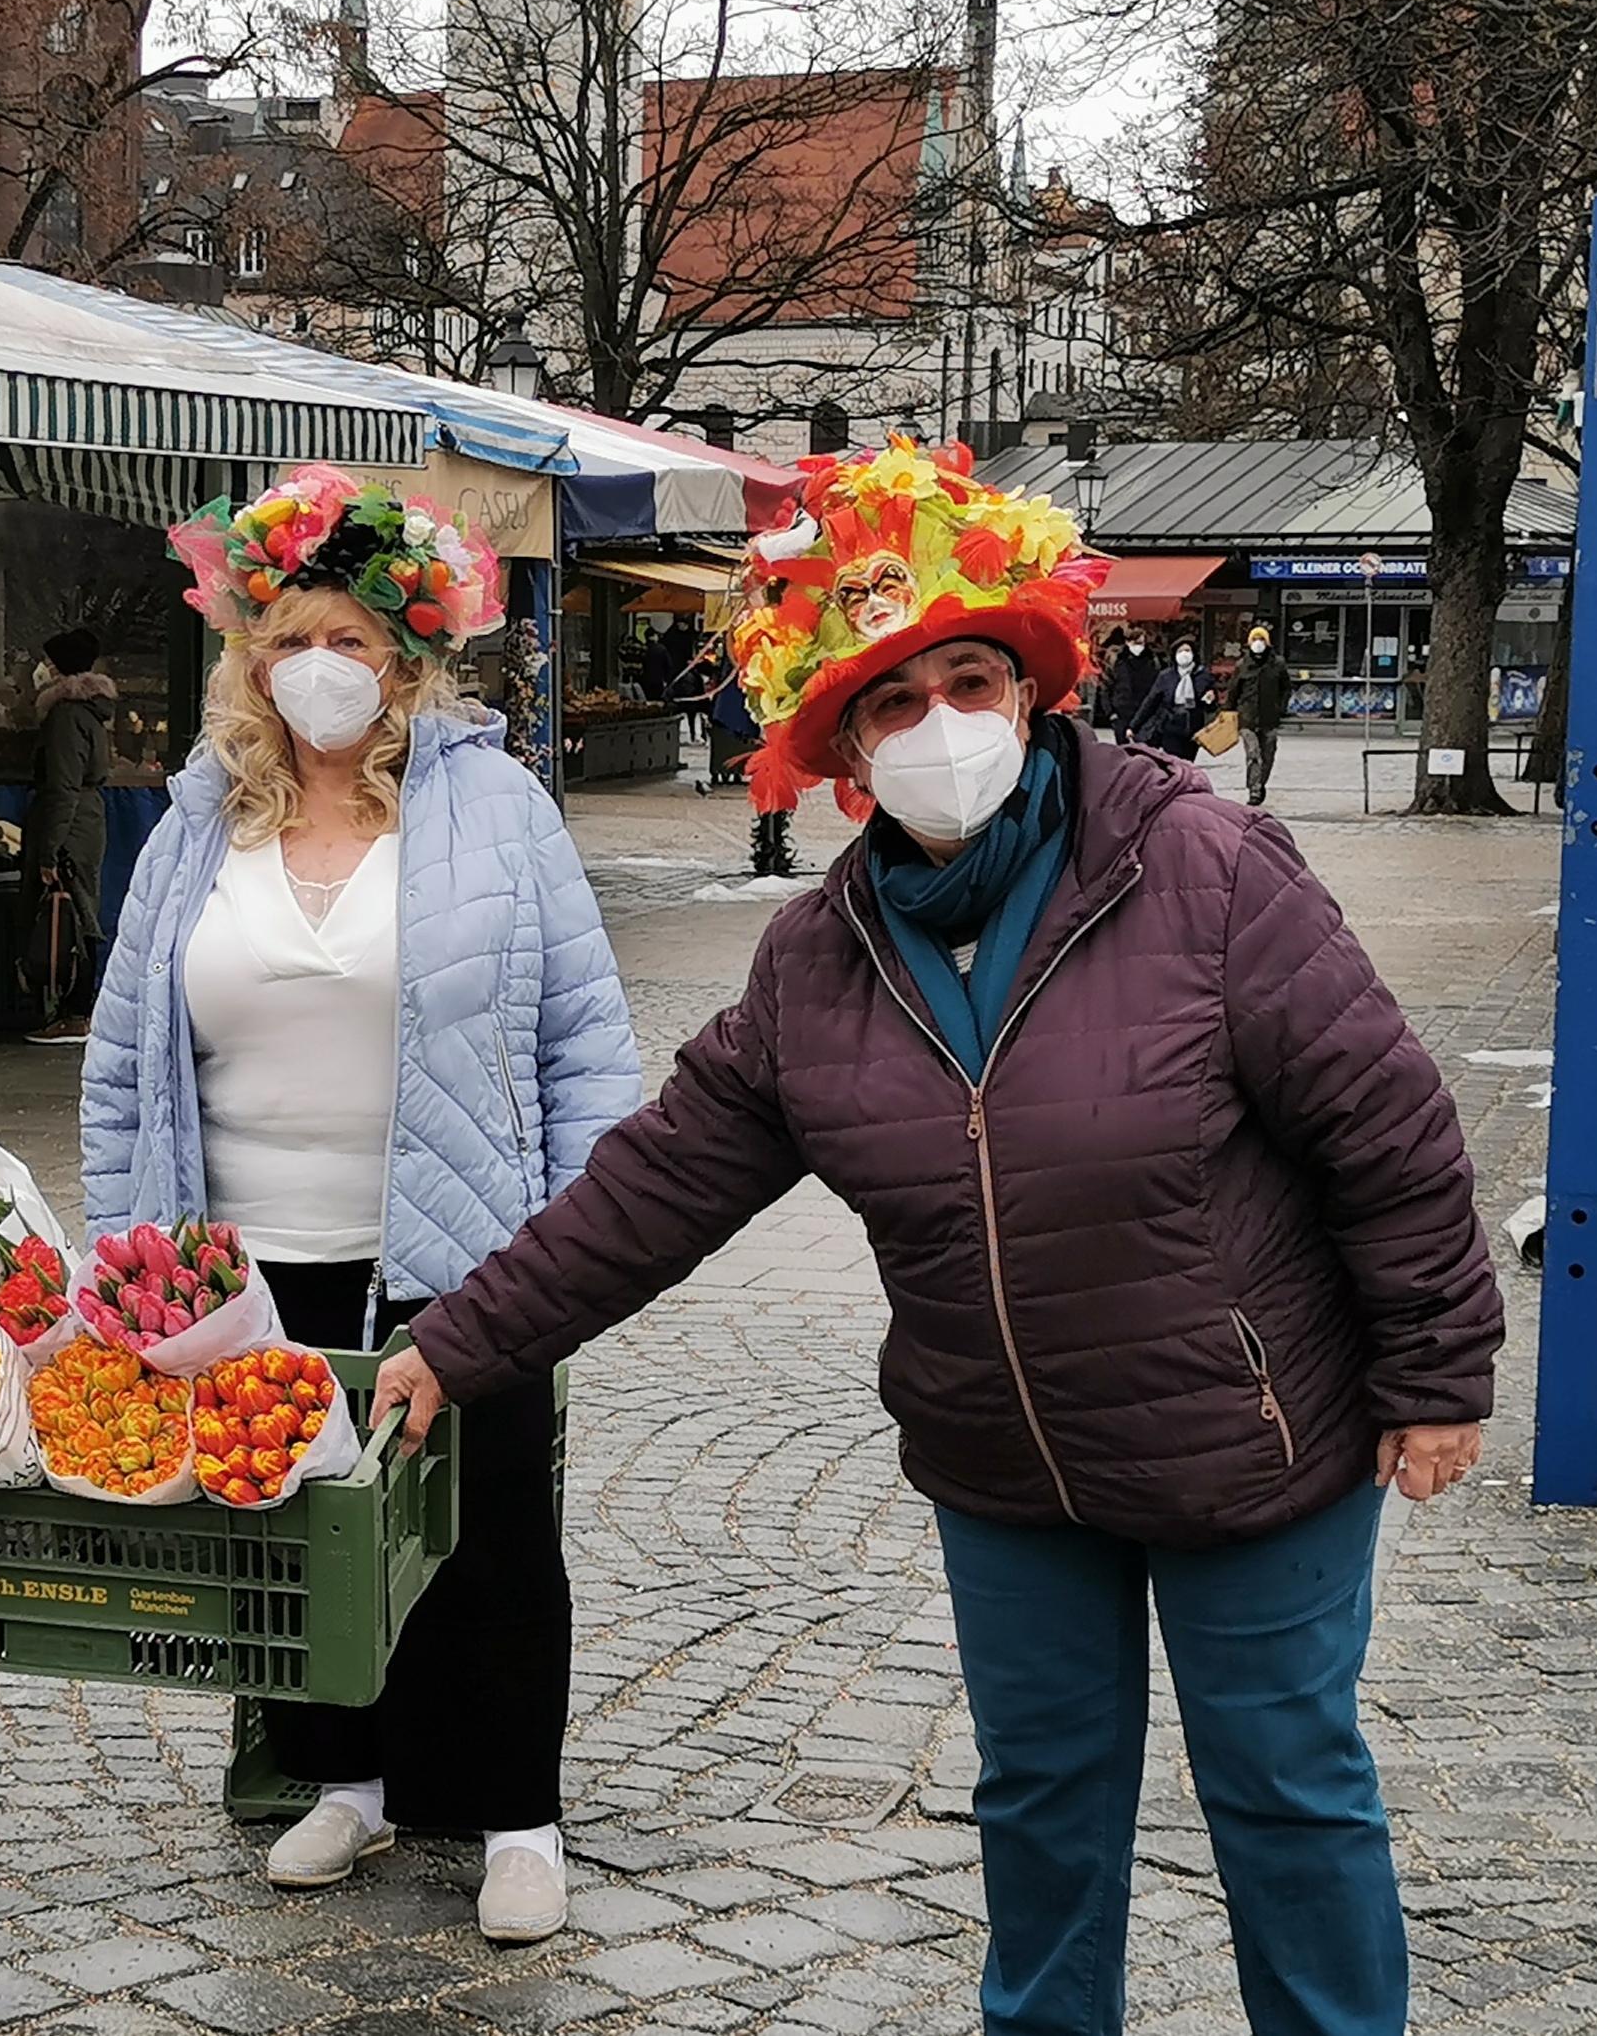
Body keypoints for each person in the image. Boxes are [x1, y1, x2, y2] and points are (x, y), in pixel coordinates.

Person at [373, 438, 1498, 2036]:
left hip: (1250, 1440)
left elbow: (1387, 1131)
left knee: (1287, 1790)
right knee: (1040, 1801)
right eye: (892, 703)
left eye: (967, 677)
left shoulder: (1205, 866)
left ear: (1033, 688)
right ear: (842, 748)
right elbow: (662, 1179)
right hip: (1008, 1460)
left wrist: (1436, 1369)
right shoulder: (813, 964)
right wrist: (464, 1339)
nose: (937, 725)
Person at [85, 466, 641, 1944]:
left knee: (490, 1533)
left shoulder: (495, 806)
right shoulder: (198, 822)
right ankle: (346, 1776)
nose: (319, 669)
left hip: (466, 1242)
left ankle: (517, 1807)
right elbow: (125, 1054)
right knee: (289, 1527)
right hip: (245, 1256)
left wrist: (574, 1243)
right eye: (289, 642)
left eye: (349, 640)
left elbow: (586, 1035)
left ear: (403, 659)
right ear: (251, 664)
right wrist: (126, 1249)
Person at [23, 626, 114, 1043]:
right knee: (83, 910)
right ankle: (78, 1008)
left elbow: (62, 786)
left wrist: (48, 850)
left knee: (73, 913)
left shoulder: (65, 717)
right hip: (88, 820)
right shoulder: (92, 714)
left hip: (71, 825)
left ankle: (75, 1011)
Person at [1234, 621, 1293, 806]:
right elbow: (1233, 691)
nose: (1258, 642)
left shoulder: (1277, 664)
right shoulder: (1242, 665)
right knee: (1253, 753)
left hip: (1269, 718)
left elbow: (1286, 688)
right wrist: (1228, 712)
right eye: (1254, 639)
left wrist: (1280, 708)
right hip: (1248, 718)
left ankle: (1260, 783)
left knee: (1268, 754)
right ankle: (1254, 790)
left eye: (1261, 639)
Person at [1129, 636, 1210, 759]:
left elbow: (1210, 704)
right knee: (1173, 762)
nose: (1184, 654)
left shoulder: (1202, 675)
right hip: (1171, 725)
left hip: (1194, 727)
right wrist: (1134, 725)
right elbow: (1151, 701)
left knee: (1188, 763)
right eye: (1180, 651)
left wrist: (1210, 699)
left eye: (1187, 650)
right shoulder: (1166, 676)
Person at [1100, 626, 1159, 744]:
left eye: (1141, 643)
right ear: (1127, 642)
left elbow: (1157, 688)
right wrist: (1110, 713)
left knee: (1144, 750)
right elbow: (1106, 688)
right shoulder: (1116, 661)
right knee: (1124, 750)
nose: (1139, 646)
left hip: (1145, 713)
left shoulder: (1152, 662)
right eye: (1135, 642)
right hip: (1122, 713)